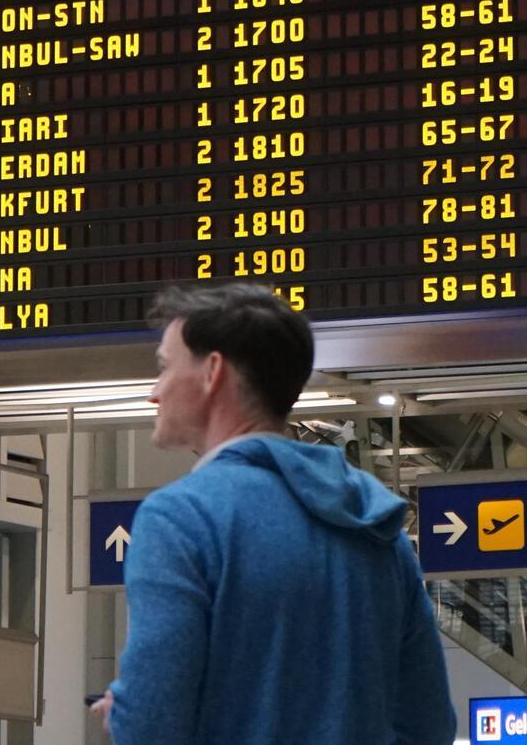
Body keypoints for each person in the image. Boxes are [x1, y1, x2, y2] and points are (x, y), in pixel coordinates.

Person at [95, 282, 456, 745]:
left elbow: (152, 723)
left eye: (165, 367)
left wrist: (121, 715)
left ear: (213, 372)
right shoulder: (375, 521)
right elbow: (430, 726)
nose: (154, 392)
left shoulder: (181, 518)